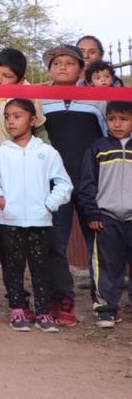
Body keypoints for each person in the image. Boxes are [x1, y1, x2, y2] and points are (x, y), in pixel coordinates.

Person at [0, 99, 73, 333]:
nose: (11, 121)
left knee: (41, 268)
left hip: (40, 221)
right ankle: (17, 310)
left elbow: (64, 184)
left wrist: (49, 204)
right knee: (13, 267)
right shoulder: (2, 152)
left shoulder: (46, 152)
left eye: (17, 116)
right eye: (7, 116)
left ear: (33, 120)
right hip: (9, 221)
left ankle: (44, 312)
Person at [41, 44, 106, 325]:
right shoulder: (41, 101)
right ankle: (61, 298)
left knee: (98, 243)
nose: (63, 67)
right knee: (55, 241)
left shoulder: (97, 101)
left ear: (82, 69)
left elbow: (106, 139)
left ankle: (103, 299)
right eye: (57, 63)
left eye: (70, 62)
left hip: (92, 184)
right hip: (55, 185)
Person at [77, 100, 132, 328]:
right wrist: (92, 213)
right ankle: (106, 309)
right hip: (106, 216)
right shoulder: (98, 148)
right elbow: (87, 184)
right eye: (112, 119)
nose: (117, 124)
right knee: (107, 265)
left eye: (124, 119)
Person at [0, 48, 48, 152]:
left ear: (20, 81)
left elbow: (40, 130)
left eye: (7, 76)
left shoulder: (29, 96)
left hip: (22, 159)